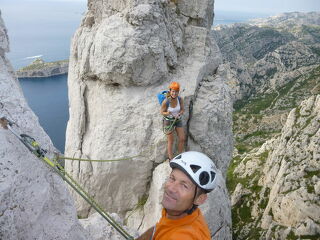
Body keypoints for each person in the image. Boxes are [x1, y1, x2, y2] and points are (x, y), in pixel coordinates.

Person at [136, 151, 217, 240]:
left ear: (200, 199)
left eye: (184, 186)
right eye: (172, 178)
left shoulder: (181, 237)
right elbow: (162, 227)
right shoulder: (187, 215)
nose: (171, 188)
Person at [160, 82, 185, 160]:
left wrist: (179, 113)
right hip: (168, 121)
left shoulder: (180, 99)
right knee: (171, 141)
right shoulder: (166, 101)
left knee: (182, 138)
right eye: (173, 91)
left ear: (178, 92)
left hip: (177, 119)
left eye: (176, 91)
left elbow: (182, 109)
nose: (174, 93)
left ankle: (179, 156)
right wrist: (168, 113)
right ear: (170, 91)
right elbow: (162, 112)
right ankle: (171, 159)